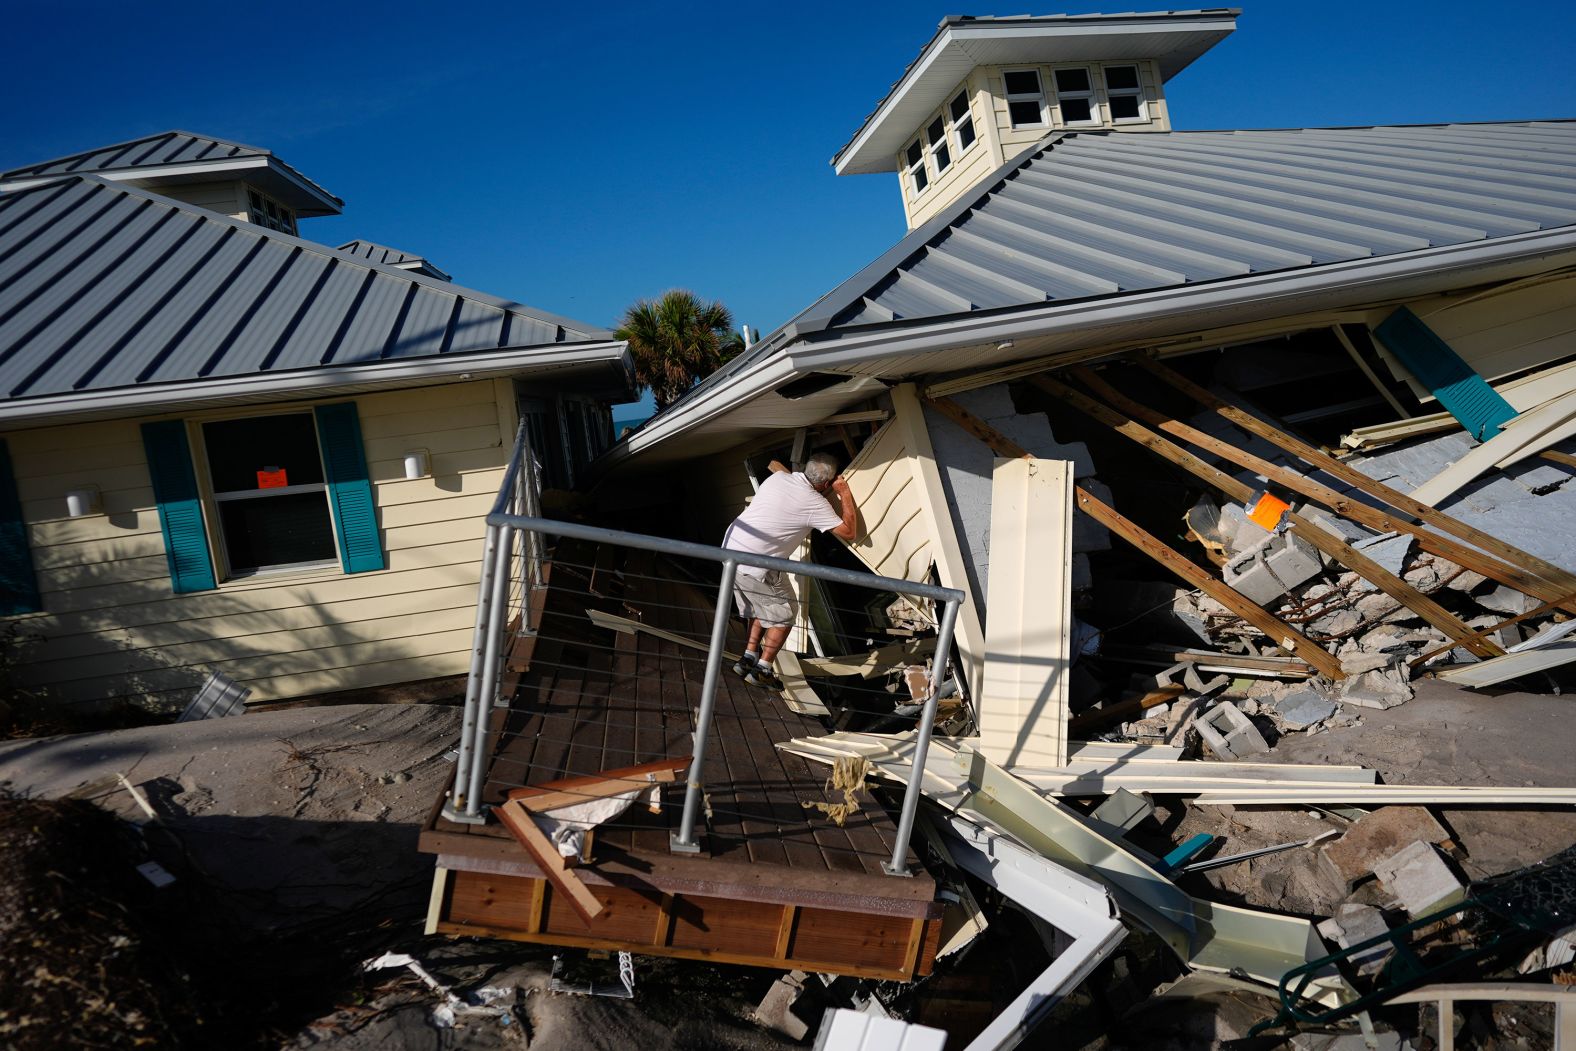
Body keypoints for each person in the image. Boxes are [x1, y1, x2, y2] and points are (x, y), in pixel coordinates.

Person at [721, 452, 858, 689]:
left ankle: (747, 659)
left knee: (763, 608)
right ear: (826, 484)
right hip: (758, 564)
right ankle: (762, 670)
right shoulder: (815, 503)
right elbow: (848, 532)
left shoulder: (778, 479)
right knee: (783, 616)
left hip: (731, 553)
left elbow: (775, 465)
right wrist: (844, 493)